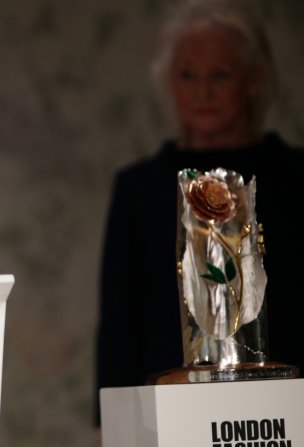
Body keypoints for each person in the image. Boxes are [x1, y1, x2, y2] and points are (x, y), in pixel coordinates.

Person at [95, 0, 304, 423]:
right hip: (173, 421)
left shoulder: (297, 177)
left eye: (219, 75)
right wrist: (111, 438)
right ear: (168, 82)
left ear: (252, 80)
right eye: (188, 75)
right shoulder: (140, 188)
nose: (202, 91)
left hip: (286, 415)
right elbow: (120, 326)